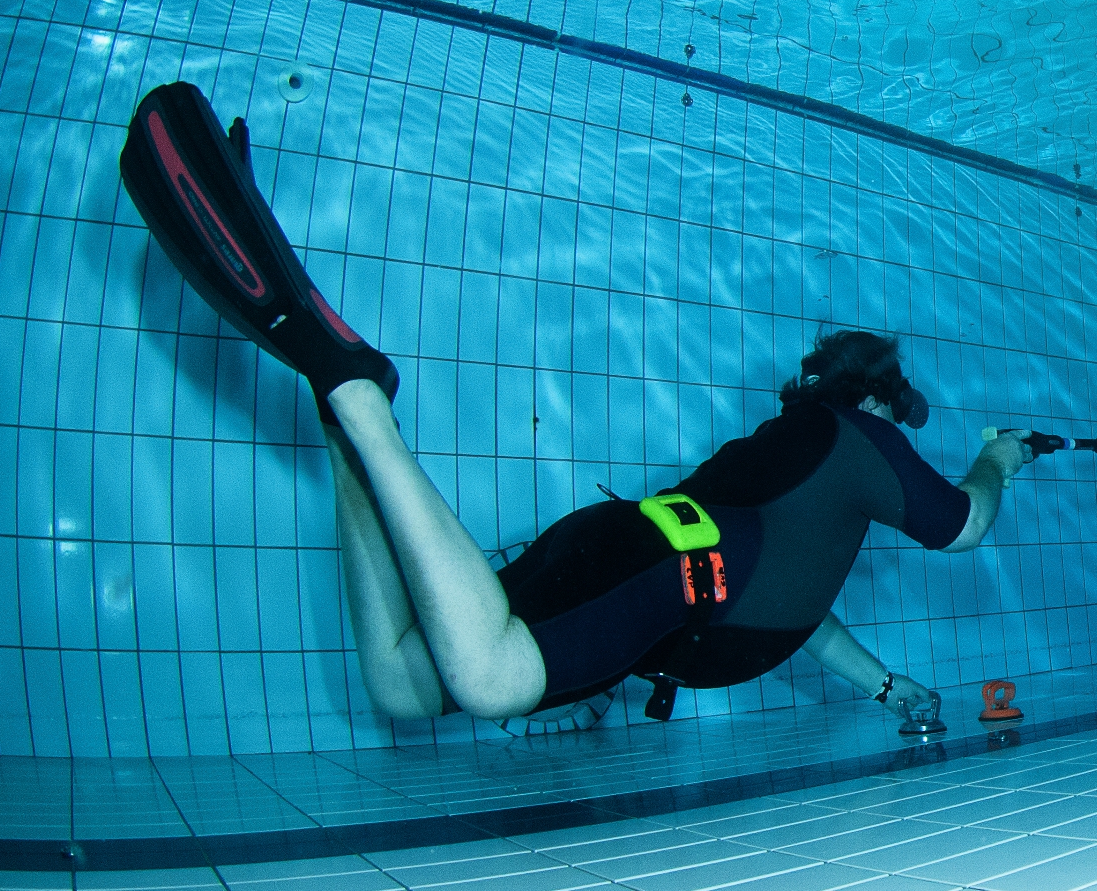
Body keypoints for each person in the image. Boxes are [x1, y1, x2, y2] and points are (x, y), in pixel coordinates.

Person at [119, 81, 1035, 724]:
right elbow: (964, 524)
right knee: (490, 679)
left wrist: (888, 689)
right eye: (900, 412)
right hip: (664, 571)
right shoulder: (857, 438)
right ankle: (359, 397)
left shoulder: (794, 470)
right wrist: (1000, 457)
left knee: (404, 685)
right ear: (872, 399)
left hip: (641, 558)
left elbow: (796, 604)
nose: (902, 434)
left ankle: (345, 437)